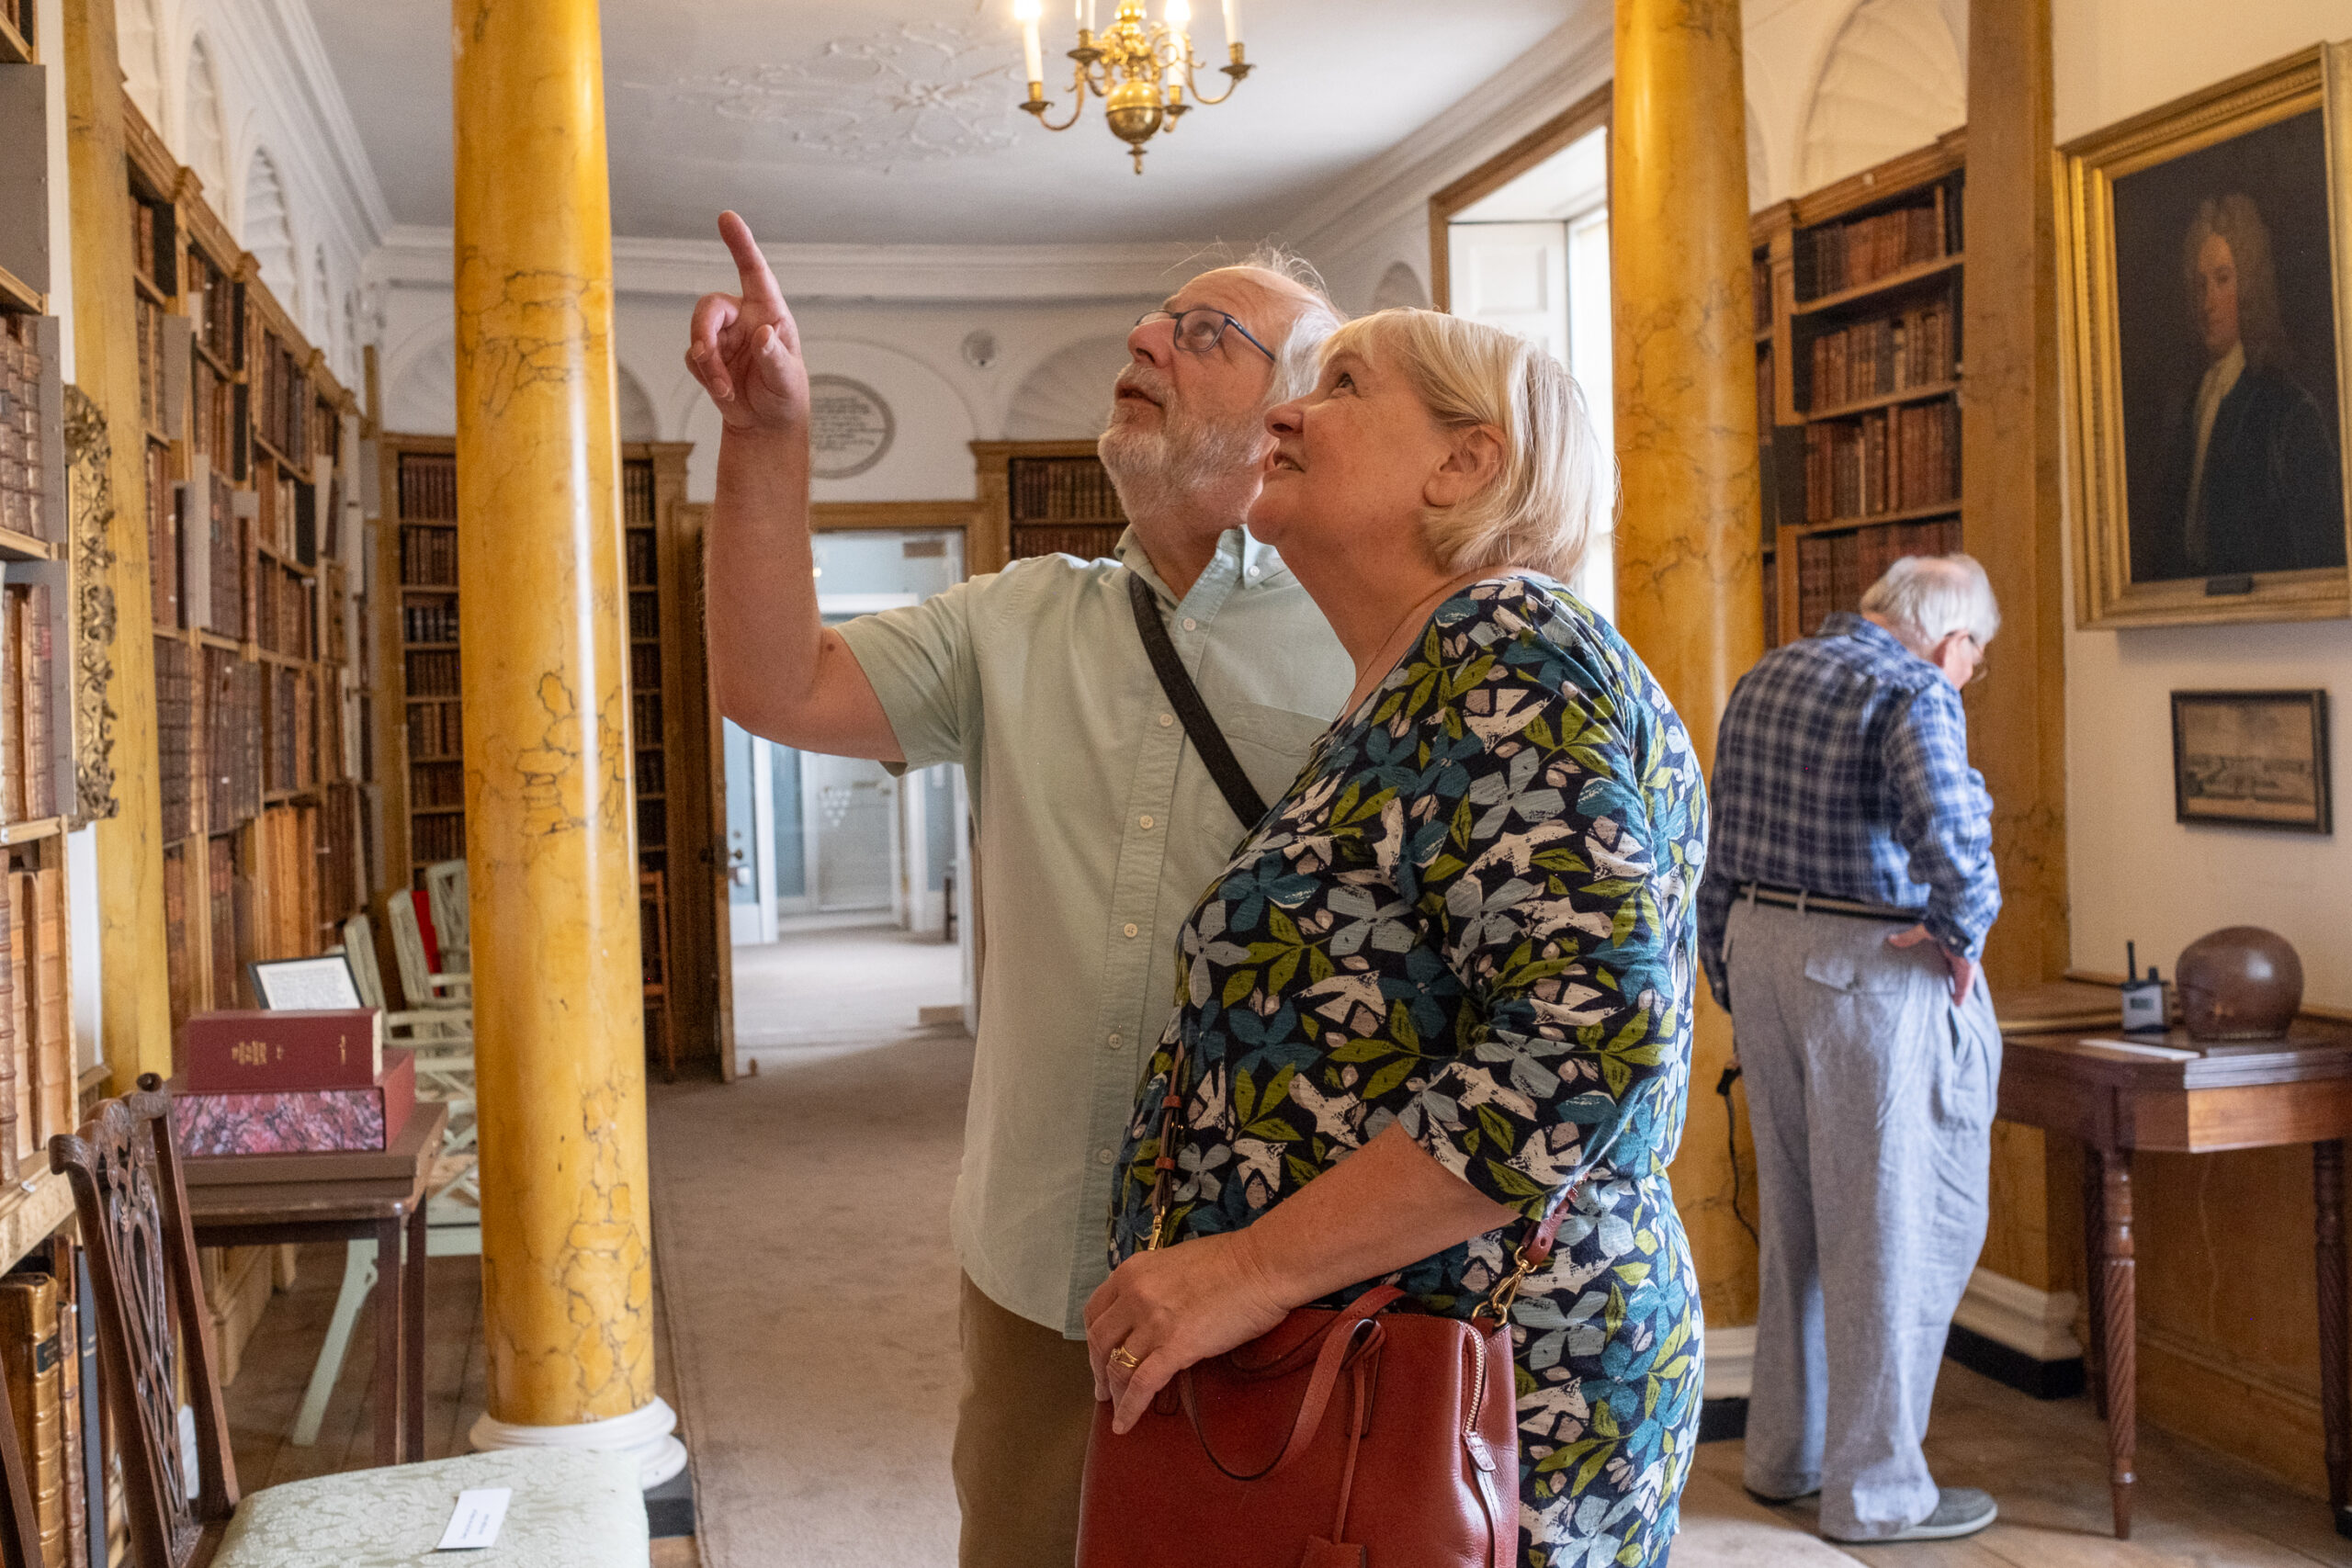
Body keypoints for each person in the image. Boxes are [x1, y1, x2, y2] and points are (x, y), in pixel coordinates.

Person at [684, 212, 1353, 1566]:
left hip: (1290, 1264)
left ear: (1295, 417)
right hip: (1045, 1257)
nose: (1144, 337)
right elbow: (772, 681)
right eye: (1155, 320)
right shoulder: (1014, 618)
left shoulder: (1374, 625)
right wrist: (767, 438)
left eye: (1203, 331)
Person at [1087, 308, 1704, 1568]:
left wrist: (1249, 1267)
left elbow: (1591, 1041)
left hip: (1472, 1389)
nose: (1285, 412)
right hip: (1373, 1372)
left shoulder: (1508, 644)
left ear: (1463, 463)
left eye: (1344, 384)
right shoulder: (1417, 673)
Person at [1695, 555, 2003, 1544]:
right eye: (1976, 661)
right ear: (1951, 641)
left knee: (1797, 1218)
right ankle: (1875, 1494)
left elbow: (1717, 843)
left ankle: (1786, 1456)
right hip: (1864, 965)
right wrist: (1961, 933)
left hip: (1762, 951)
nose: (1968, 677)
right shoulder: (1912, 688)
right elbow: (1953, 839)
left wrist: (1727, 969)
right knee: (1891, 1232)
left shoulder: (1765, 674)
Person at [2143, 192, 2346, 581]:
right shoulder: (2187, 407)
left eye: (2223, 280)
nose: (2208, 303)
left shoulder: (2288, 411)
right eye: (2200, 286)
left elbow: (2319, 556)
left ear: (2250, 284)